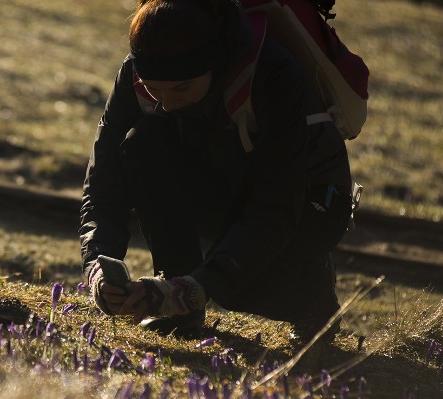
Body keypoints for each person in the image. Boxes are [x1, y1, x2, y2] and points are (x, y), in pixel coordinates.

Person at [79, 0, 354, 343]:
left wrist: (199, 286)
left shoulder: (272, 70)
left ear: (215, 61)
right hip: (225, 182)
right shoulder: (134, 75)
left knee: (235, 288)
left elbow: (275, 203)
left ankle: (314, 297)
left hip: (308, 205)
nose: (165, 101)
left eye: (180, 88)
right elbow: (102, 183)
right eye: (153, 88)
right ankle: (180, 305)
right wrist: (97, 269)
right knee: (142, 142)